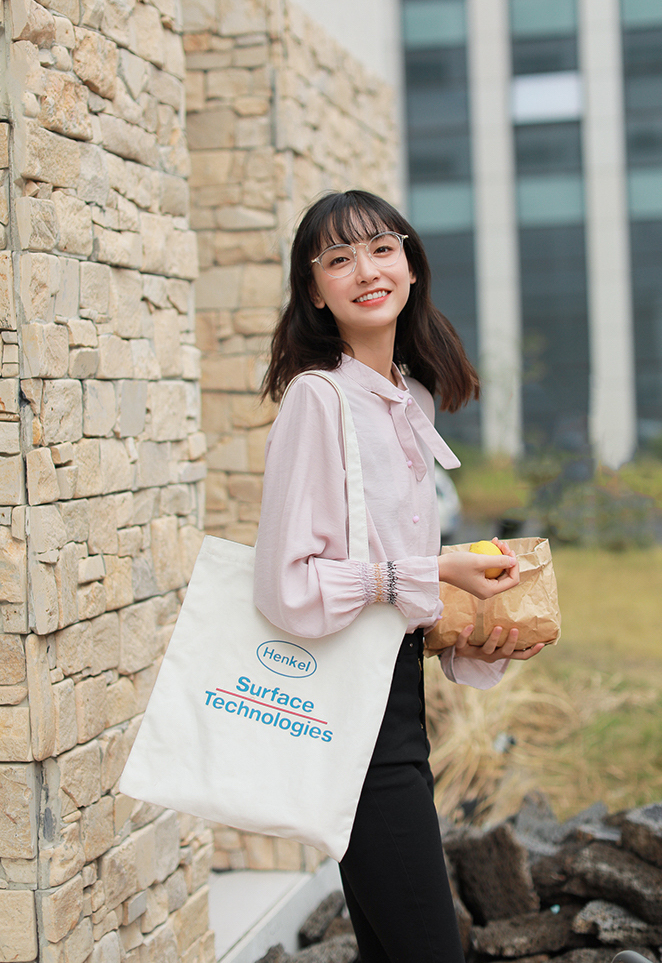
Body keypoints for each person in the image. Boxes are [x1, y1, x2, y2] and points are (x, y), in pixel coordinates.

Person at [254, 190, 544, 963]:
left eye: (382, 248)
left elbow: (395, 579)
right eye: (339, 258)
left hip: (398, 698)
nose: (367, 270)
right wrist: (434, 569)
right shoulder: (318, 399)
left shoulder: (410, 397)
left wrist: (470, 628)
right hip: (353, 708)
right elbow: (287, 586)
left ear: (411, 265)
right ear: (316, 290)